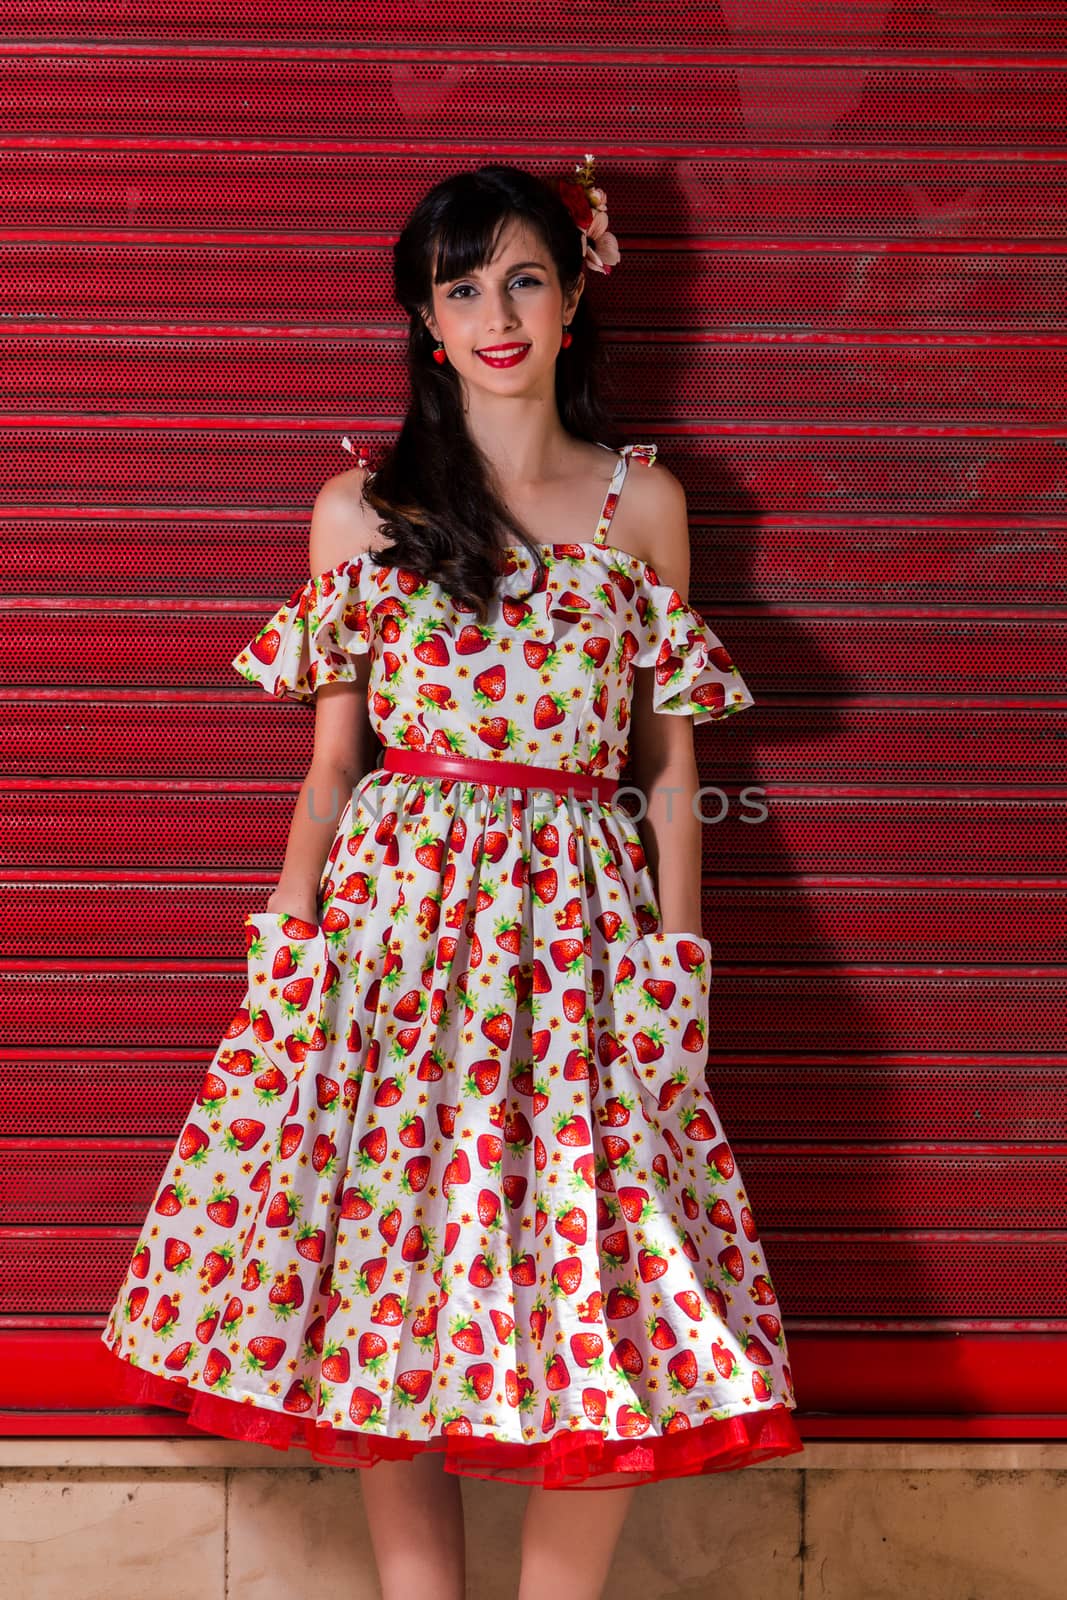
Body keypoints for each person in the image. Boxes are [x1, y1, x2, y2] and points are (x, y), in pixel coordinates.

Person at [101, 157, 804, 1599]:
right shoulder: (361, 509)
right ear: (426, 318)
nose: (496, 314)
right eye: (461, 287)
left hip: (585, 940)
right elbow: (332, 763)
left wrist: (680, 969)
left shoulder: (643, 505)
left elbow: (671, 772)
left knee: (589, 1260)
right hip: (395, 934)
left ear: (574, 296)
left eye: (524, 279)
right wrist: (288, 944)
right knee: (389, 1257)